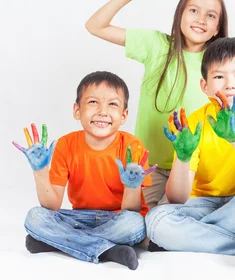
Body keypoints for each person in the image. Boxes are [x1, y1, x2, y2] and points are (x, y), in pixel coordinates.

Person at [86, 0, 228, 208]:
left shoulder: (220, 64)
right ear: (180, 14)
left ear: (217, 28)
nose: (201, 19)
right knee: (139, 227)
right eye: (193, 10)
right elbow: (95, 26)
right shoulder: (156, 44)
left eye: (211, 15)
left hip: (196, 171)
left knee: (165, 224)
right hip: (150, 170)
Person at [145, 37, 235, 254]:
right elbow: (177, 198)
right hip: (204, 204)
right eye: (219, 76)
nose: (230, 84)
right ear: (205, 85)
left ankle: (193, 238)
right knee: (155, 221)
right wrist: (183, 157)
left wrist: (234, 136)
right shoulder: (193, 123)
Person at [17, 71, 156, 270]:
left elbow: (131, 211)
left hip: (118, 218)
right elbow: (52, 205)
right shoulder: (65, 144)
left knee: (135, 225)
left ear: (124, 115)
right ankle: (108, 250)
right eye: (92, 102)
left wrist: (132, 186)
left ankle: (58, 242)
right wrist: (40, 171)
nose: (102, 111)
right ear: (76, 110)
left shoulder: (132, 147)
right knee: (35, 217)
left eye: (113, 104)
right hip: (79, 218)